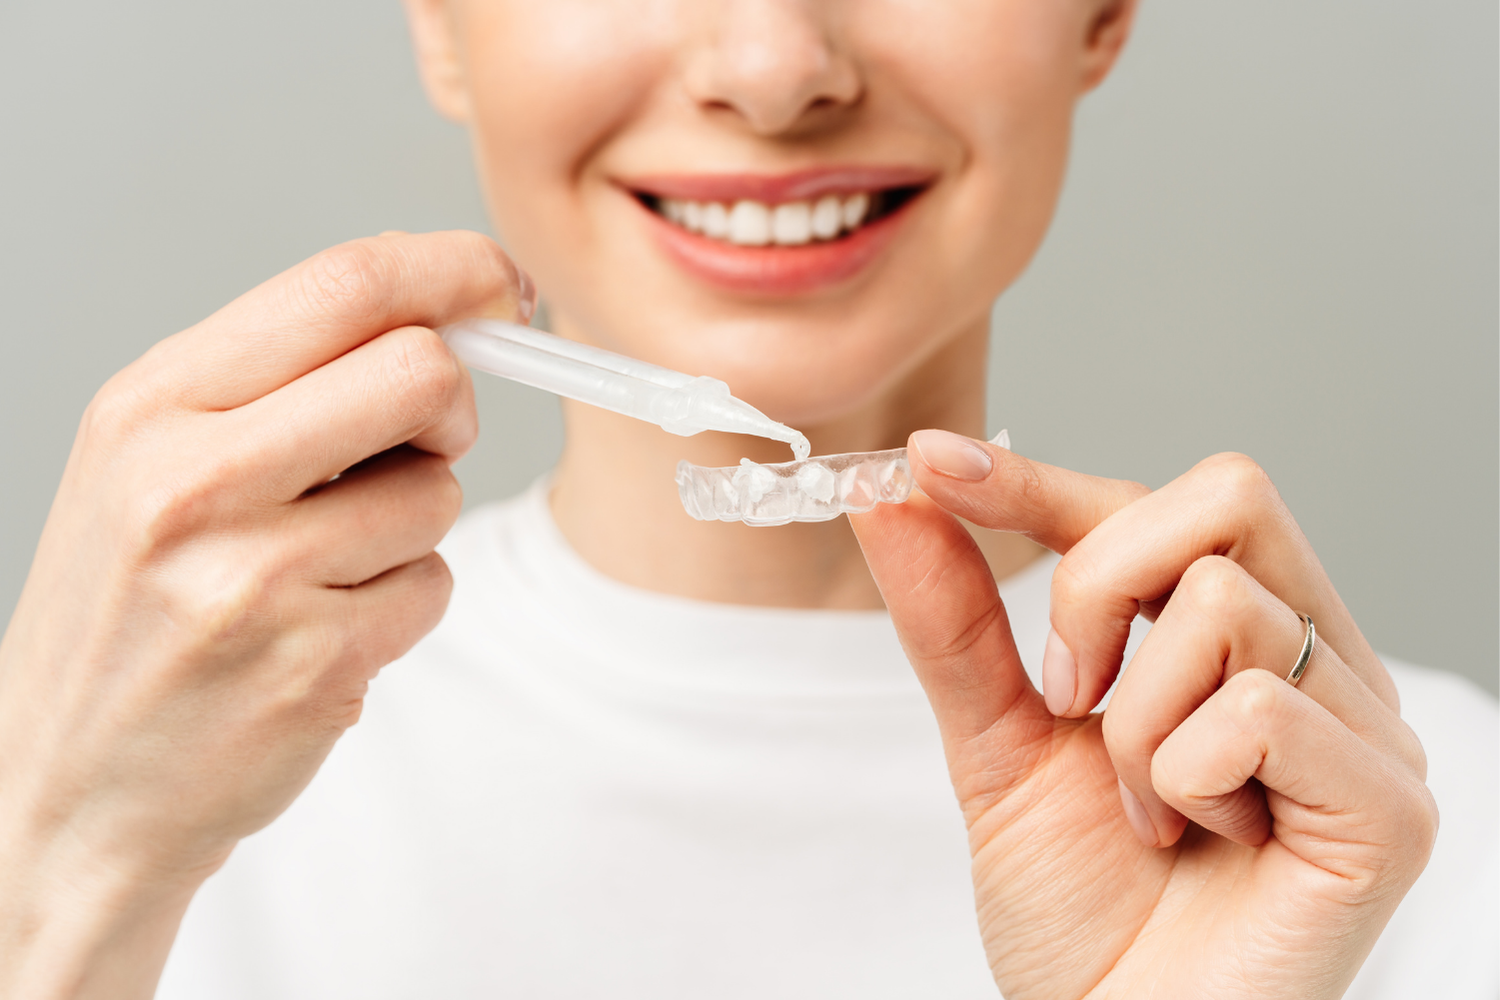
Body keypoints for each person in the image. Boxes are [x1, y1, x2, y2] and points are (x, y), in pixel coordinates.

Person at [1, 0, 1494, 996]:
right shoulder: (140, 776)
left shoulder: (1405, 830)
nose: (774, 68)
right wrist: (58, 877)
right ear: (440, 21)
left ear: (1099, 13)